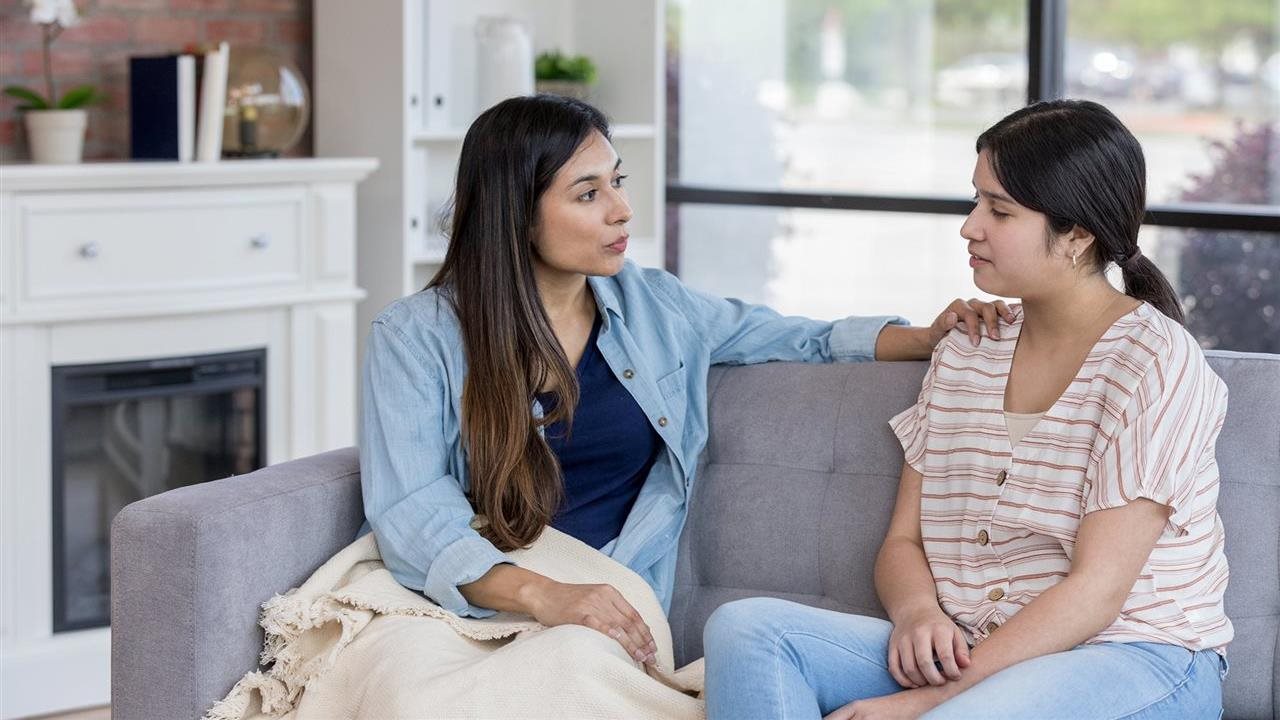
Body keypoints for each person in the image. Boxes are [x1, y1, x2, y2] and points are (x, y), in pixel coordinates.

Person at [359, 93, 1011, 668]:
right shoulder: (416, 337)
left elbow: (795, 336)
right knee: (390, 675)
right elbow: (413, 507)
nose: (622, 211)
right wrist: (545, 595)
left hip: (610, 596)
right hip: (478, 590)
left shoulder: (654, 307)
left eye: (617, 181)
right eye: (589, 194)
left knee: (570, 674)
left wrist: (925, 338)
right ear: (516, 215)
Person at [702, 99, 1231, 720]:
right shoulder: (967, 350)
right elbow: (903, 540)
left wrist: (930, 700)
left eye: (998, 210)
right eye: (975, 200)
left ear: (1078, 235)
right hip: (975, 648)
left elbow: (1097, 593)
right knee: (747, 631)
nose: (969, 226)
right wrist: (918, 612)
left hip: (1134, 656)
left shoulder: (1155, 361)